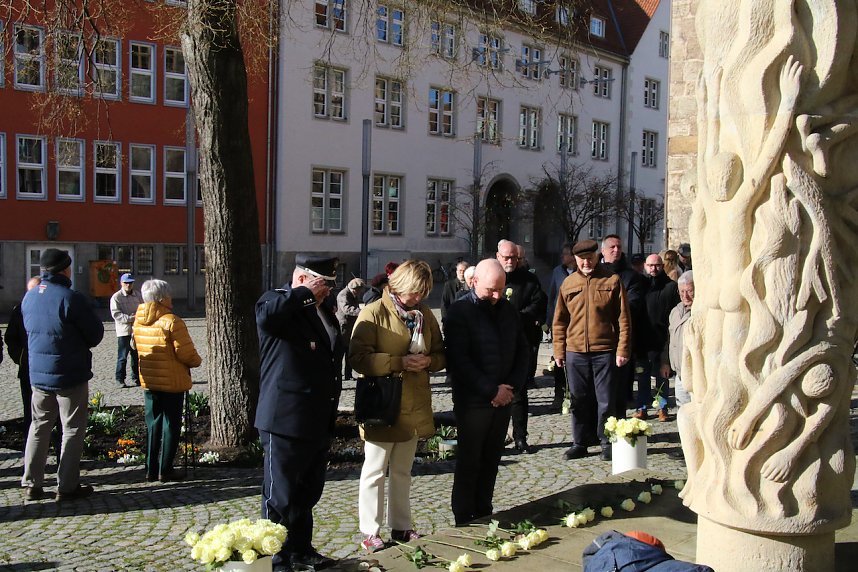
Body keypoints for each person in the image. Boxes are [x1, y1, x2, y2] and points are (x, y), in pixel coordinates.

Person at [256, 254, 345, 572]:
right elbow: (266, 316)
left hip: (317, 417)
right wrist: (304, 294)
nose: (327, 291)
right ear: (304, 279)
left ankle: (301, 550)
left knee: (307, 493)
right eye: (322, 284)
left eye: (330, 286)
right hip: (285, 418)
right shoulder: (278, 301)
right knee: (280, 496)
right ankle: (276, 560)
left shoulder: (324, 311)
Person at [349, 260, 445, 552]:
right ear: (400, 285)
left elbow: (441, 354)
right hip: (383, 403)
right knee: (375, 470)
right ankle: (370, 531)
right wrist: (398, 363)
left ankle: (402, 526)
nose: (419, 297)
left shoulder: (424, 314)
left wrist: (429, 361)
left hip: (414, 403)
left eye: (424, 292)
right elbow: (358, 359)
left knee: (403, 470)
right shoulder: (373, 312)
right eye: (415, 291)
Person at [445, 259, 529, 526]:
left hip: (503, 398)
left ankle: (484, 511)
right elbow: (459, 360)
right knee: (470, 461)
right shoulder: (460, 311)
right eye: (491, 290)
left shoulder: (507, 310)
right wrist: (491, 390)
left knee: (491, 459)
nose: (496, 296)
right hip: (474, 401)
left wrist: (511, 387)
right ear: (474, 282)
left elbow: (523, 350)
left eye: (500, 290)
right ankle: (463, 516)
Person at [21, 248, 104, 501]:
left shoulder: (30, 296)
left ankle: (32, 483)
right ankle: (67, 486)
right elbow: (95, 335)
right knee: (72, 428)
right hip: (69, 373)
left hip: (39, 374)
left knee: (38, 426)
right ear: (65, 269)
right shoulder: (71, 298)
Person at [553, 239, 630, 462]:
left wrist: (622, 349)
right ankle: (580, 442)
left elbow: (623, 319)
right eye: (582, 259)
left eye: (590, 258)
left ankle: (606, 441)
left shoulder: (611, 280)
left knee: (606, 400)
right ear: (575, 259)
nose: (586, 263)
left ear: (597, 257)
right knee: (578, 400)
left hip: (605, 350)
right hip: (575, 351)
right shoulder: (568, 283)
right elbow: (559, 321)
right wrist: (559, 351)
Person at [133, 279, 202, 482]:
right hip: (172, 381)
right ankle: (166, 468)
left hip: (150, 380)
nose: (171, 298)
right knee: (171, 424)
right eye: (169, 295)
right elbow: (186, 353)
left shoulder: (138, 320)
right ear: (162, 299)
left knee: (153, 424)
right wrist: (196, 361)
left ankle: (150, 468)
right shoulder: (172, 321)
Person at [496, 239, 546, 454]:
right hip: (493, 345)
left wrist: (517, 317)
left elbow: (538, 304)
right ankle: (495, 437)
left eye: (514, 258)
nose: (510, 261)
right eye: (506, 257)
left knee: (518, 393)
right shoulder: (491, 275)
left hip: (519, 343)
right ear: (498, 256)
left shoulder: (529, 280)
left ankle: (520, 437)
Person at [600, 235, 649, 419]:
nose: (616, 250)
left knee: (619, 391)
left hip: (619, 340)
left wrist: (603, 312)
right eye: (612, 247)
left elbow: (632, 306)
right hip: (595, 340)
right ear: (603, 250)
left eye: (619, 247)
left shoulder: (631, 277)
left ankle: (618, 426)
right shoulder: (593, 273)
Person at [635, 254, 680, 422]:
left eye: (657, 265)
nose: (654, 268)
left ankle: (662, 407)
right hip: (643, 340)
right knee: (642, 377)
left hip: (662, 340)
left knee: (662, 376)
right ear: (645, 266)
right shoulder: (641, 285)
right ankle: (642, 408)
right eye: (650, 265)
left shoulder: (671, 287)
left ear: (662, 266)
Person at [5, 276, 43, 439]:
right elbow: (10, 338)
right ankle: (30, 442)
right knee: (29, 410)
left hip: (51, 369)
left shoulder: (51, 308)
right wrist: (21, 359)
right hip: (28, 369)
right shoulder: (19, 310)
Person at [546, 244, 575, 410]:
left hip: (575, 324)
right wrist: (549, 321)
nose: (563, 257)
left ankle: (573, 395)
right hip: (559, 323)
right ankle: (559, 395)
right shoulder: (558, 272)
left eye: (566, 254)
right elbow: (552, 297)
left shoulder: (580, 272)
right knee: (558, 359)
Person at [661, 271, 694, 407]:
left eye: (689, 291)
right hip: (679, 372)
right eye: (682, 292)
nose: (685, 296)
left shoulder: (700, 311)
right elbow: (670, 339)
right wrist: (666, 362)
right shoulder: (675, 311)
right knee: (682, 408)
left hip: (695, 372)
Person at [110, 273, 143, 388]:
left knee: (136, 356)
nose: (128, 285)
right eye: (126, 283)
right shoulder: (116, 297)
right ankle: (120, 378)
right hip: (123, 331)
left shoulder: (137, 295)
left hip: (136, 330)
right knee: (122, 356)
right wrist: (130, 318)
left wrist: (139, 317)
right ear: (121, 283)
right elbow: (116, 314)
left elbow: (143, 308)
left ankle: (136, 378)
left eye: (130, 283)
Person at [335, 278, 365, 380]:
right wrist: (361, 311)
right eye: (359, 291)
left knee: (349, 351)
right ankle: (338, 375)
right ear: (354, 289)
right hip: (343, 327)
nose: (359, 293)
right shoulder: (343, 294)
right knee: (341, 352)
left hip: (350, 327)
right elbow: (346, 309)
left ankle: (348, 374)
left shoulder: (352, 294)